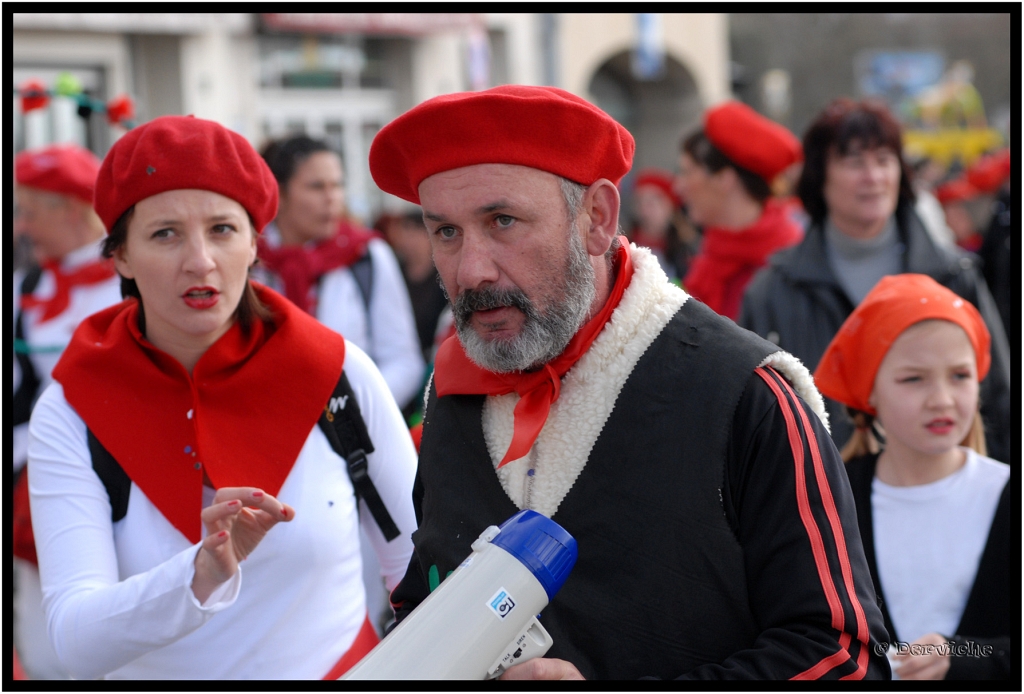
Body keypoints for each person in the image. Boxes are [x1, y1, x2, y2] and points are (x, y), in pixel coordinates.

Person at [368, 85, 890, 680]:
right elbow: (426, 600)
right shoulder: (453, 393)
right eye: (446, 232)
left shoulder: (745, 396)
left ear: (596, 218)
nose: (471, 270)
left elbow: (842, 657)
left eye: (502, 221)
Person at [26, 115, 417, 680]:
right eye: (165, 233)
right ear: (121, 257)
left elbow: (419, 567)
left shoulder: (338, 372)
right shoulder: (73, 407)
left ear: (256, 242)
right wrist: (199, 574)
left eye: (222, 229)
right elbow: (74, 640)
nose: (200, 261)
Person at [739, 98, 1011, 464]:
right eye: (854, 162)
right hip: (817, 503)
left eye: (884, 160)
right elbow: (752, 416)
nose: (873, 177)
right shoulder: (774, 289)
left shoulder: (953, 277)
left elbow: (999, 398)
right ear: (820, 176)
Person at [814, 274, 1010, 680]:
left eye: (959, 375)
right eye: (913, 379)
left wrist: (966, 656)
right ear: (869, 392)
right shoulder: (833, 500)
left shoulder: (1008, 494)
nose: (941, 399)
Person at [13, 144, 123, 680]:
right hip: (36, 477)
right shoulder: (27, 287)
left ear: (71, 208)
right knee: (44, 644)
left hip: (126, 474)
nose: (22, 227)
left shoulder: (134, 279)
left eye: (31, 212)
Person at [254, 136, 424, 412]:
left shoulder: (365, 254)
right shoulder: (251, 260)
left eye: (337, 185)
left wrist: (349, 411)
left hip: (354, 432)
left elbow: (403, 361)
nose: (331, 198)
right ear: (280, 193)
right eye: (316, 186)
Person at [677, 101, 804, 320]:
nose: (678, 186)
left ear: (724, 179)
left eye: (689, 172)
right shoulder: (714, 257)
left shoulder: (788, 267)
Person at [626, 168, 699, 282]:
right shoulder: (625, 247)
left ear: (671, 206)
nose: (644, 210)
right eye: (639, 202)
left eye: (652, 202)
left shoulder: (687, 251)